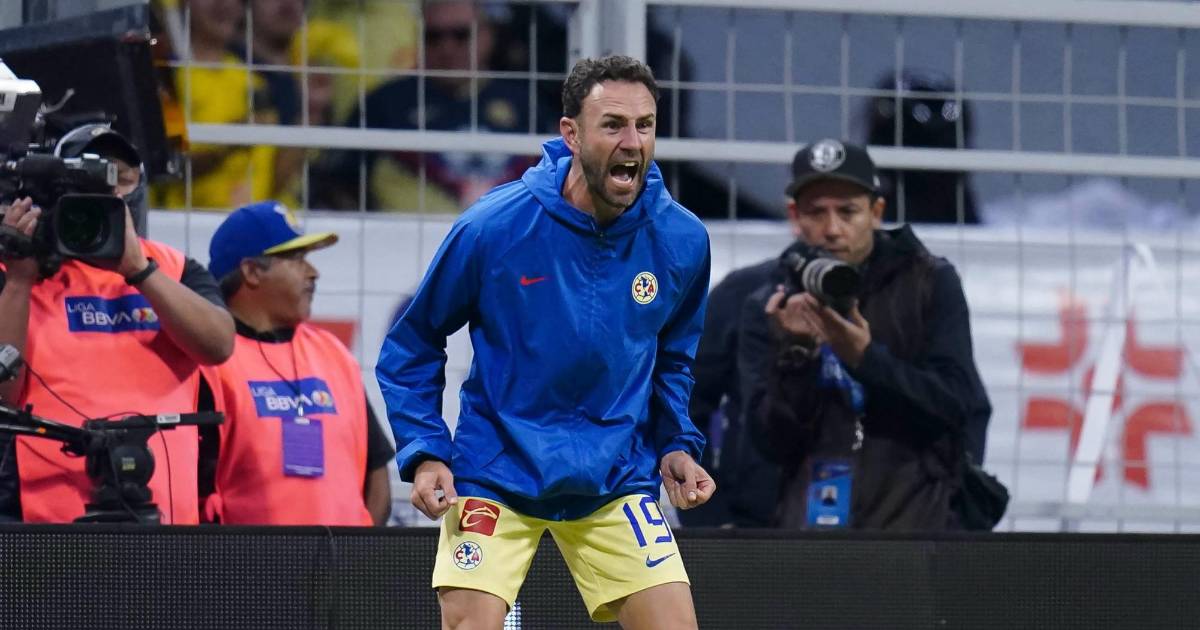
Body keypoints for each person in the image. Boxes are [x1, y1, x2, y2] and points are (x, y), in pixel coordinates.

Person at [378, 55, 714, 628]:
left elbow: (674, 359)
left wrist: (676, 443)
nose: (632, 142)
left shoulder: (682, 238)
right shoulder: (493, 227)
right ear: (571, 133)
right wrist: (426, 450)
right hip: (497, 470)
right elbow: (412, 343)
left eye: (645, 125)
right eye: (613, 125)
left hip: (615, 476)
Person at [741, 139, 991, 530]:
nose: (832, 229)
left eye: (848, 211)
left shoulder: (928, 282)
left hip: (914, 524)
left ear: (876, 212)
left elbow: (958, 404)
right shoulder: (771, 302)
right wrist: (796, 354)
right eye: (816, 212)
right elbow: (767, 443)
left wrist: (865, 358)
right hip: (807, 532)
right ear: (794, 216)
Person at [0, 127, 235, 523]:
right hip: (45, 519)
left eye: (122, 178)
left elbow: (218, 346)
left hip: (163, 514)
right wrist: (19, 281)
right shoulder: (20, 268)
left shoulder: (173, 267)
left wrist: (139, 271)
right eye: (88, 177)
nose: (108, 190)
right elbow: (3, 394)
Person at [197, 201, 393, 525]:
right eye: (297, 259)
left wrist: (360, 550)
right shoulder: (210, 362)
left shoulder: (332, 353)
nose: (313, 272)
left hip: (344, 557)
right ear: (252, 271)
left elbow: (376, 470)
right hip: (247, 558)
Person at [316, 0, 556, 212]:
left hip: (507, 237)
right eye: (433, 36)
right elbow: (338, 181)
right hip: (403, 238)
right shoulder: (384, 102)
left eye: (461, 35)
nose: (447, 48)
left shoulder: (524, 103)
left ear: (487, 36)